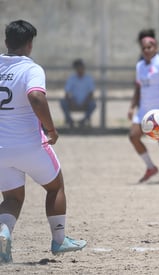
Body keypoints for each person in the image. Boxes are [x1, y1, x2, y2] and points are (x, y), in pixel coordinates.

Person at [0, 20, 87, 263]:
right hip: (30, 145)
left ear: (6, 41)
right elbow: (36, 96)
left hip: (0, 149)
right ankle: (59, 241)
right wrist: (51, 128)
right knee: (55, 187)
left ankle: (3, 233)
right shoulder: (31, 68)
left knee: (12, 198)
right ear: (29, 44)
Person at [128, 29, 159, 184]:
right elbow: (137, 88)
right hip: (143, 111)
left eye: (150, 47)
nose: (146, 50)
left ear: (155, 47)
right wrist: (132, 107)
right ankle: (151, 167)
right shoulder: (140, 66)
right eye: (144, 48)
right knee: (133, 136)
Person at [60, 58, 96, 128]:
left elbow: (91, 93)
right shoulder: (72, 78)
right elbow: (67, 93)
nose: (80, 69)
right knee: (63, 102)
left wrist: (85, 102)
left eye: (82, 67)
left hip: (86, 102)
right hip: (73, 102)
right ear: (76, 69)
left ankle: (84, 120)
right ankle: (69, 120)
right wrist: (71, 102)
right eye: (78, 68)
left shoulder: (88, 78)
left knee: (93, 104)